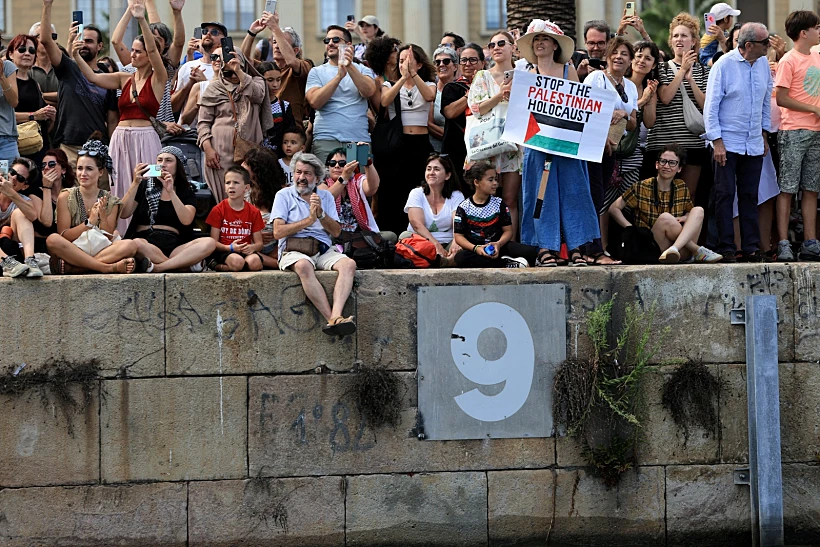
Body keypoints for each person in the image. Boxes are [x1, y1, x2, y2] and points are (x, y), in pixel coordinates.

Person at [72, 0, 169, 234]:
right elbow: (93, 78)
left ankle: (149, 232)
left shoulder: (159, 77)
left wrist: (141, 18)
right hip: (120, 138)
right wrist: (75, 56)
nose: (132, 54)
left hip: (147, 137)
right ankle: (118, 234)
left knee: (150, 183)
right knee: (119, 187)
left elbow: (154, 50)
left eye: (138, 51)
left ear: (149, 55)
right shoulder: (124, 78)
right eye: (132, 50)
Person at [517, 19, 600, 267]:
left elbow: (580, 108)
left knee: (574, 192)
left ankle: (576, 247)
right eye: (536, 39)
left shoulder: (568, 70)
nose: (540, 43)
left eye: (545, 38)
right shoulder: (527, 75)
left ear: (555, 45)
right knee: (540, 197)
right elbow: (522, 115)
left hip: (567, 145)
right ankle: (545, 248)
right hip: (537, 145)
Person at [704, 22, 773, 263]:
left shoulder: (763, 64)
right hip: (727, 141)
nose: (769, 45)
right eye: (765, 42)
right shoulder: (723, 65)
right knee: (725, 195)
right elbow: (711, 106)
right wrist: (717, 141)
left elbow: (766, 101)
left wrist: (764, 134)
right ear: (749, 45)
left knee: (750, 196)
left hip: (753, 141)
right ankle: (727, 248)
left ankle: (751, 247)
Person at [271, 152, 358, 337]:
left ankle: (336, 316)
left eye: (307, 173)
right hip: (294, 250)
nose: (301, 177)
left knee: (349, 264)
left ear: (317, 178)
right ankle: (332, 319)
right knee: (303, 266)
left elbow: (336, 232)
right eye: (298, 172)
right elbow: (277, 232)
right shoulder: (283, 195)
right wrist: (309, 221)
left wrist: (321, 215)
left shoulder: (325, 196)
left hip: (322, 248)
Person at [610, 145, 722, 264]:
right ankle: (697, 249)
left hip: (681, 248)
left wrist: (685, 217)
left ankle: (676, 249)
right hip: (653, 246)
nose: (667, 166)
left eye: (672, 163)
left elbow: (689, 212)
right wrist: (630, 227)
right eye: (663, 161)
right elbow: (613, 208)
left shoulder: (681, 186)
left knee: (698, 210)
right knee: (665, 218)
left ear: (679, 168)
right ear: (657, 164)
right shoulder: (641, 186)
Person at [40, 0, 118, 169]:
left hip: (98, 148)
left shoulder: (108, 78)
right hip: (69, 146)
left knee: (99, 188)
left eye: (89, 41)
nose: (84, 44)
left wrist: (112, 150)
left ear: (100, 46)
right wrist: (47, 5)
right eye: (81, 39)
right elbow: (45, 40)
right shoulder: (68, 68)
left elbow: (112, 120)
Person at [44, 139, 138, 274]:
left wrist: (103, 217)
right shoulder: (66, 196)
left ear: (100, 172)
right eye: (80, 168)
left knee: (130, 245)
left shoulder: (111, 201)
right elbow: (64, 236)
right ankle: (107, 267)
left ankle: (77, 268)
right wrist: (89, 223)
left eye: (89, 169)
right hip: (74, 250)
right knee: (52, 240)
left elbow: (108, 238)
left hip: (101, 250)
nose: (83, 173)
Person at [583, 36, 638, 259]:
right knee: (593, 195)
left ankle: (591, 248)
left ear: (630, 60)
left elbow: (633, 123)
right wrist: (606, 119)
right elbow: (584, 108)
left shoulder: (631, 87)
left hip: (612, 148)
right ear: (607, 57)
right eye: (615, 53)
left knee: (600, 196)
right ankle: (592, 250)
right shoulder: (596, 78)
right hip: (592, 144)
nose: (619, 57)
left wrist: (623, 113)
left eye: (624, 54)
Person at [120, 146, 215, 273]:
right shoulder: (144, 185)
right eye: (159, 160)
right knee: (136, 243)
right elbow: (124, 213)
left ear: (178, 166)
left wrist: (171, 191)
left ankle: (159, 267)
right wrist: (135, 183)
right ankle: (181, 266)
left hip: (174, 245)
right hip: (145, 242)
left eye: (169, 160)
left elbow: (186, 220)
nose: (163, 164)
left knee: (209, 243)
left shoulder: (185, 190)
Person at [467, 31, 524, 239]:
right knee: (484, 197)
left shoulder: (525, 75)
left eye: (501, 43)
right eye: (492, 45)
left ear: (513, 47)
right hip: (487, 142)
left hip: (514, 143)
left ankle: (511, 243)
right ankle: (483, 241)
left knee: (510, 199)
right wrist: (500, 95)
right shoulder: (482, 76)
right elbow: (476, 108)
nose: (496, 48)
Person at [646, 13, 709, 198]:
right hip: (663, 142)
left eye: (684, 36)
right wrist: (682, 71)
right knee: (661, 196)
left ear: (694, 41)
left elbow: (706, 106)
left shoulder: (705, 71)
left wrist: (691, 80)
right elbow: (665, 97)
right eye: (675, 36)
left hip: (693, 144)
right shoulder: (661, 68)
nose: (679, 39)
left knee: (687, 196)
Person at [774, 11, 820, 262]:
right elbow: (781, 98)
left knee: (811, 188)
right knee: (787, 188)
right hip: (793, 131)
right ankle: (783, 243)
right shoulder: (788, 60)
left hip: (816, 131)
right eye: (816, 27)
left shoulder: (817, 56)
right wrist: (813, 108)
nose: (819, 31)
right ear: (804, 33)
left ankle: (811, 242)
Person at [197, 50, 272, 202]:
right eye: (227, 73)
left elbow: (257, 95)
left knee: (250, 193)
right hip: (219, 153)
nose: (232, 77)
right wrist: (208, 149)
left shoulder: (256, 82)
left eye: (235, 72)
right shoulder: (214, 88)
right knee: (225, 194)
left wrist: (238, 71)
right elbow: (203, 123)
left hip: (249, 150)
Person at [377, 44, 436, 235]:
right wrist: (403, 78)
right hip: (398, 143)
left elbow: (429, 96)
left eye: (409, 61)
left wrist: (413, 75)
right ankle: (393, 233)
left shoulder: (428, 84)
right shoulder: (389, 84)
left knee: (418, 187)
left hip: (421, 143)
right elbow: (385, 101)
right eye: (401, 61)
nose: (404, 64)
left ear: (419, 64)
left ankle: (418, 232)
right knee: (395, 189)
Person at [110, 0, 187, 130]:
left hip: (164, 131)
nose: (151, 43)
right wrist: (130, 9)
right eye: (148, 38)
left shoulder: (165, 66)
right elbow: (115, 42)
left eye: (158, 40)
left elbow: (178, 43)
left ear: (166, 45)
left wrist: (177, 12)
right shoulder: (130, 67)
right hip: (132, 130)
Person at [306, 25, 377, 164]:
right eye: (327, 40)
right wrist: (338, 77)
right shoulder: (316, 71)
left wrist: (349, 66)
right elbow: (314, 102)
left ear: (349, 45)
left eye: (336, 40)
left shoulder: (363, 69)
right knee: (326, 178)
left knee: (361, 178)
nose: (330, 43)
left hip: (358, 140)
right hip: (326, 140)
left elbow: (368, 91)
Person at [453, 161, 537, 268]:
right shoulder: (464, 207)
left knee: (530, 252)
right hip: (476, 249)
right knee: (460, 258)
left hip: (499, 246)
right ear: (477, 182)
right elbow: (458, 236)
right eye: (490, 180)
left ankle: (503, 260)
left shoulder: (499, 203)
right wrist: (476, 248)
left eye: (496, 179)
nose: (495, 183)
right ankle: (505, 263)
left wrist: (498, 244)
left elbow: (508, 231)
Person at [607, 40, 659, 214]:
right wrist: (642, 100)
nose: (642, 61)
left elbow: (649, 123)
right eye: (639, 56)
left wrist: (649, 98)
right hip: (611, 146)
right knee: (605, 201)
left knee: (630, 203)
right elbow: (619, 112)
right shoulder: (620, 81)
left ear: (653, 65)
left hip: (633, 151)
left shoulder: (649, 87)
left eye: (648, 58)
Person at [401, 153, 465, 265]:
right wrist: (436, 245)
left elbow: (458, 222)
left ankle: (441, 261)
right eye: (428, 169)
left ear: (447, 175)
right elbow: (417, 224)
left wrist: (456, 241)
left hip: (447, 241)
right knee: (406, 240)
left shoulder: (456, 195)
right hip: (421, 241)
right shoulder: (416, 193)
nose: (431, 172)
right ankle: (442, 262)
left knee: (463, 250)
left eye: (436, 169)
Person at [318, 147, 392, 242]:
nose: (336, 166)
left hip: (359, 234)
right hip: (334, 234)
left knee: (391, 236)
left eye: (342, 163)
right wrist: (344, 177)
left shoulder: (356, 180)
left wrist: (368, 162)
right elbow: (326, 199)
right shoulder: (322, 183)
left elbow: (372, 188)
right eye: (332, 163)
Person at [206, 165, 265, 271]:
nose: (231, 186)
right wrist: (230, 248)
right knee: (237, 262)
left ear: (246, 188)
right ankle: (216, 266)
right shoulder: (218, 210)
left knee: (255, 263)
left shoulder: (254, 212)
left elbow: (259, 243)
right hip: (225, 250)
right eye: (228, 183)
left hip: (245, 251)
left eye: (236, 183)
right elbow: (213, 242)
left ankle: (241, 268)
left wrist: (252, 247)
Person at [7, 34, 55, 162]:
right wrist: (34, 115)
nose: (27, 53)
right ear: (11, 54)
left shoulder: (35, 84)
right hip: (14, 150)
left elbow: (41, 124)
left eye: (32, 50)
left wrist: (50, 116)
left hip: (37, 150)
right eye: (22, 49)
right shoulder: (5, 83)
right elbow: (4, 115)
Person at [441, 43, 484, 174]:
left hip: (484, 146)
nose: (467, 64)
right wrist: (471, 92)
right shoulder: (452, 87)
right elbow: (450, 113)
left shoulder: (490, 87)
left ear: (482, 63)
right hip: (457, 148)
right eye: (464, 60)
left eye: (473, 60)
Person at [242, 145, 287, 269]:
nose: (241, 166)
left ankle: (274, 261)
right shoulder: (243, 192)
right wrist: (255, 237)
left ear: (257, 169)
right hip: (250, 246)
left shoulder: (283, 193)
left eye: (246, 163)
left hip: (278, 247)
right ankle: (273, 262)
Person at [0, 157, 45, 277]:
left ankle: (30, 261)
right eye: (12, 172)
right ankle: (5, 262)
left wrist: (10, 192)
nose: (13, 177)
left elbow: (33, 215)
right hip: (3, 257)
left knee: (20, 213)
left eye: (20, 178)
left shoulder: (24, 200)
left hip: (11, 247)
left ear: (24, 186)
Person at [171, 21, 226, 113]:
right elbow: (173, 108)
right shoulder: (187, 66)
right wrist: (190, 83)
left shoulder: (227, 69)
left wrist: (204, 83)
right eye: (205, 31)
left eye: (214, 32)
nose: (208, 34)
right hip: (187, 122)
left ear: (223, 41)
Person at [34, 148, 74, 246]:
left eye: (51, 164)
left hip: (69, 243)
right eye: (43, 165)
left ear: (63, 170)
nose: (46, 168)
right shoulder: (35, 193)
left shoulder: (72, 193)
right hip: (44, 245)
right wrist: (47, 187)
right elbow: (47, 222)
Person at [258, 61, 295, 156]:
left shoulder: (284, 106)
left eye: (278, 80)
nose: (275, 84)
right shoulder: (253, 106)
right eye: (270, 80)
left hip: (278, 157)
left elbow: (290, 132)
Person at [179, 47, 223, 127]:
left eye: (222, 57)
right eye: (214, 57)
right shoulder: (199, 86)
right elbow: (184, 121)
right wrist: (198, 105)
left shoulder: (234, 86)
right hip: (199, 132)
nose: (218, 60)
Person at [428, 46, 458, 153]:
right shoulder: (431, 91)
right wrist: (451, 138)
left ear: (455, 66)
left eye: (446, 61)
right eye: (437, 62)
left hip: (460, 150)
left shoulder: (461, 90)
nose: (441, 64)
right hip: (436, 151)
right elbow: (429, 124)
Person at [363, 35, 401, 111]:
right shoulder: (377, 83)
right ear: (386, 58)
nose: (399, 52)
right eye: (395, 49)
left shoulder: (406, 77)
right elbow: (382, 113)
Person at [28, 22, 59, 107]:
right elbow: (27, 98)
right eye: (44, 36)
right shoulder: (26, 68)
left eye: (52, 36)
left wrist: (41, 95)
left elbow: (68, 95)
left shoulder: (62, 67)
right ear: (32, 40)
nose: (49, 40)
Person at [0, 35, 19, 162]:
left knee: (13, 174)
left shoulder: (7, 66)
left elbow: (14, 102)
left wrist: (1, 76)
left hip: (6, 139)